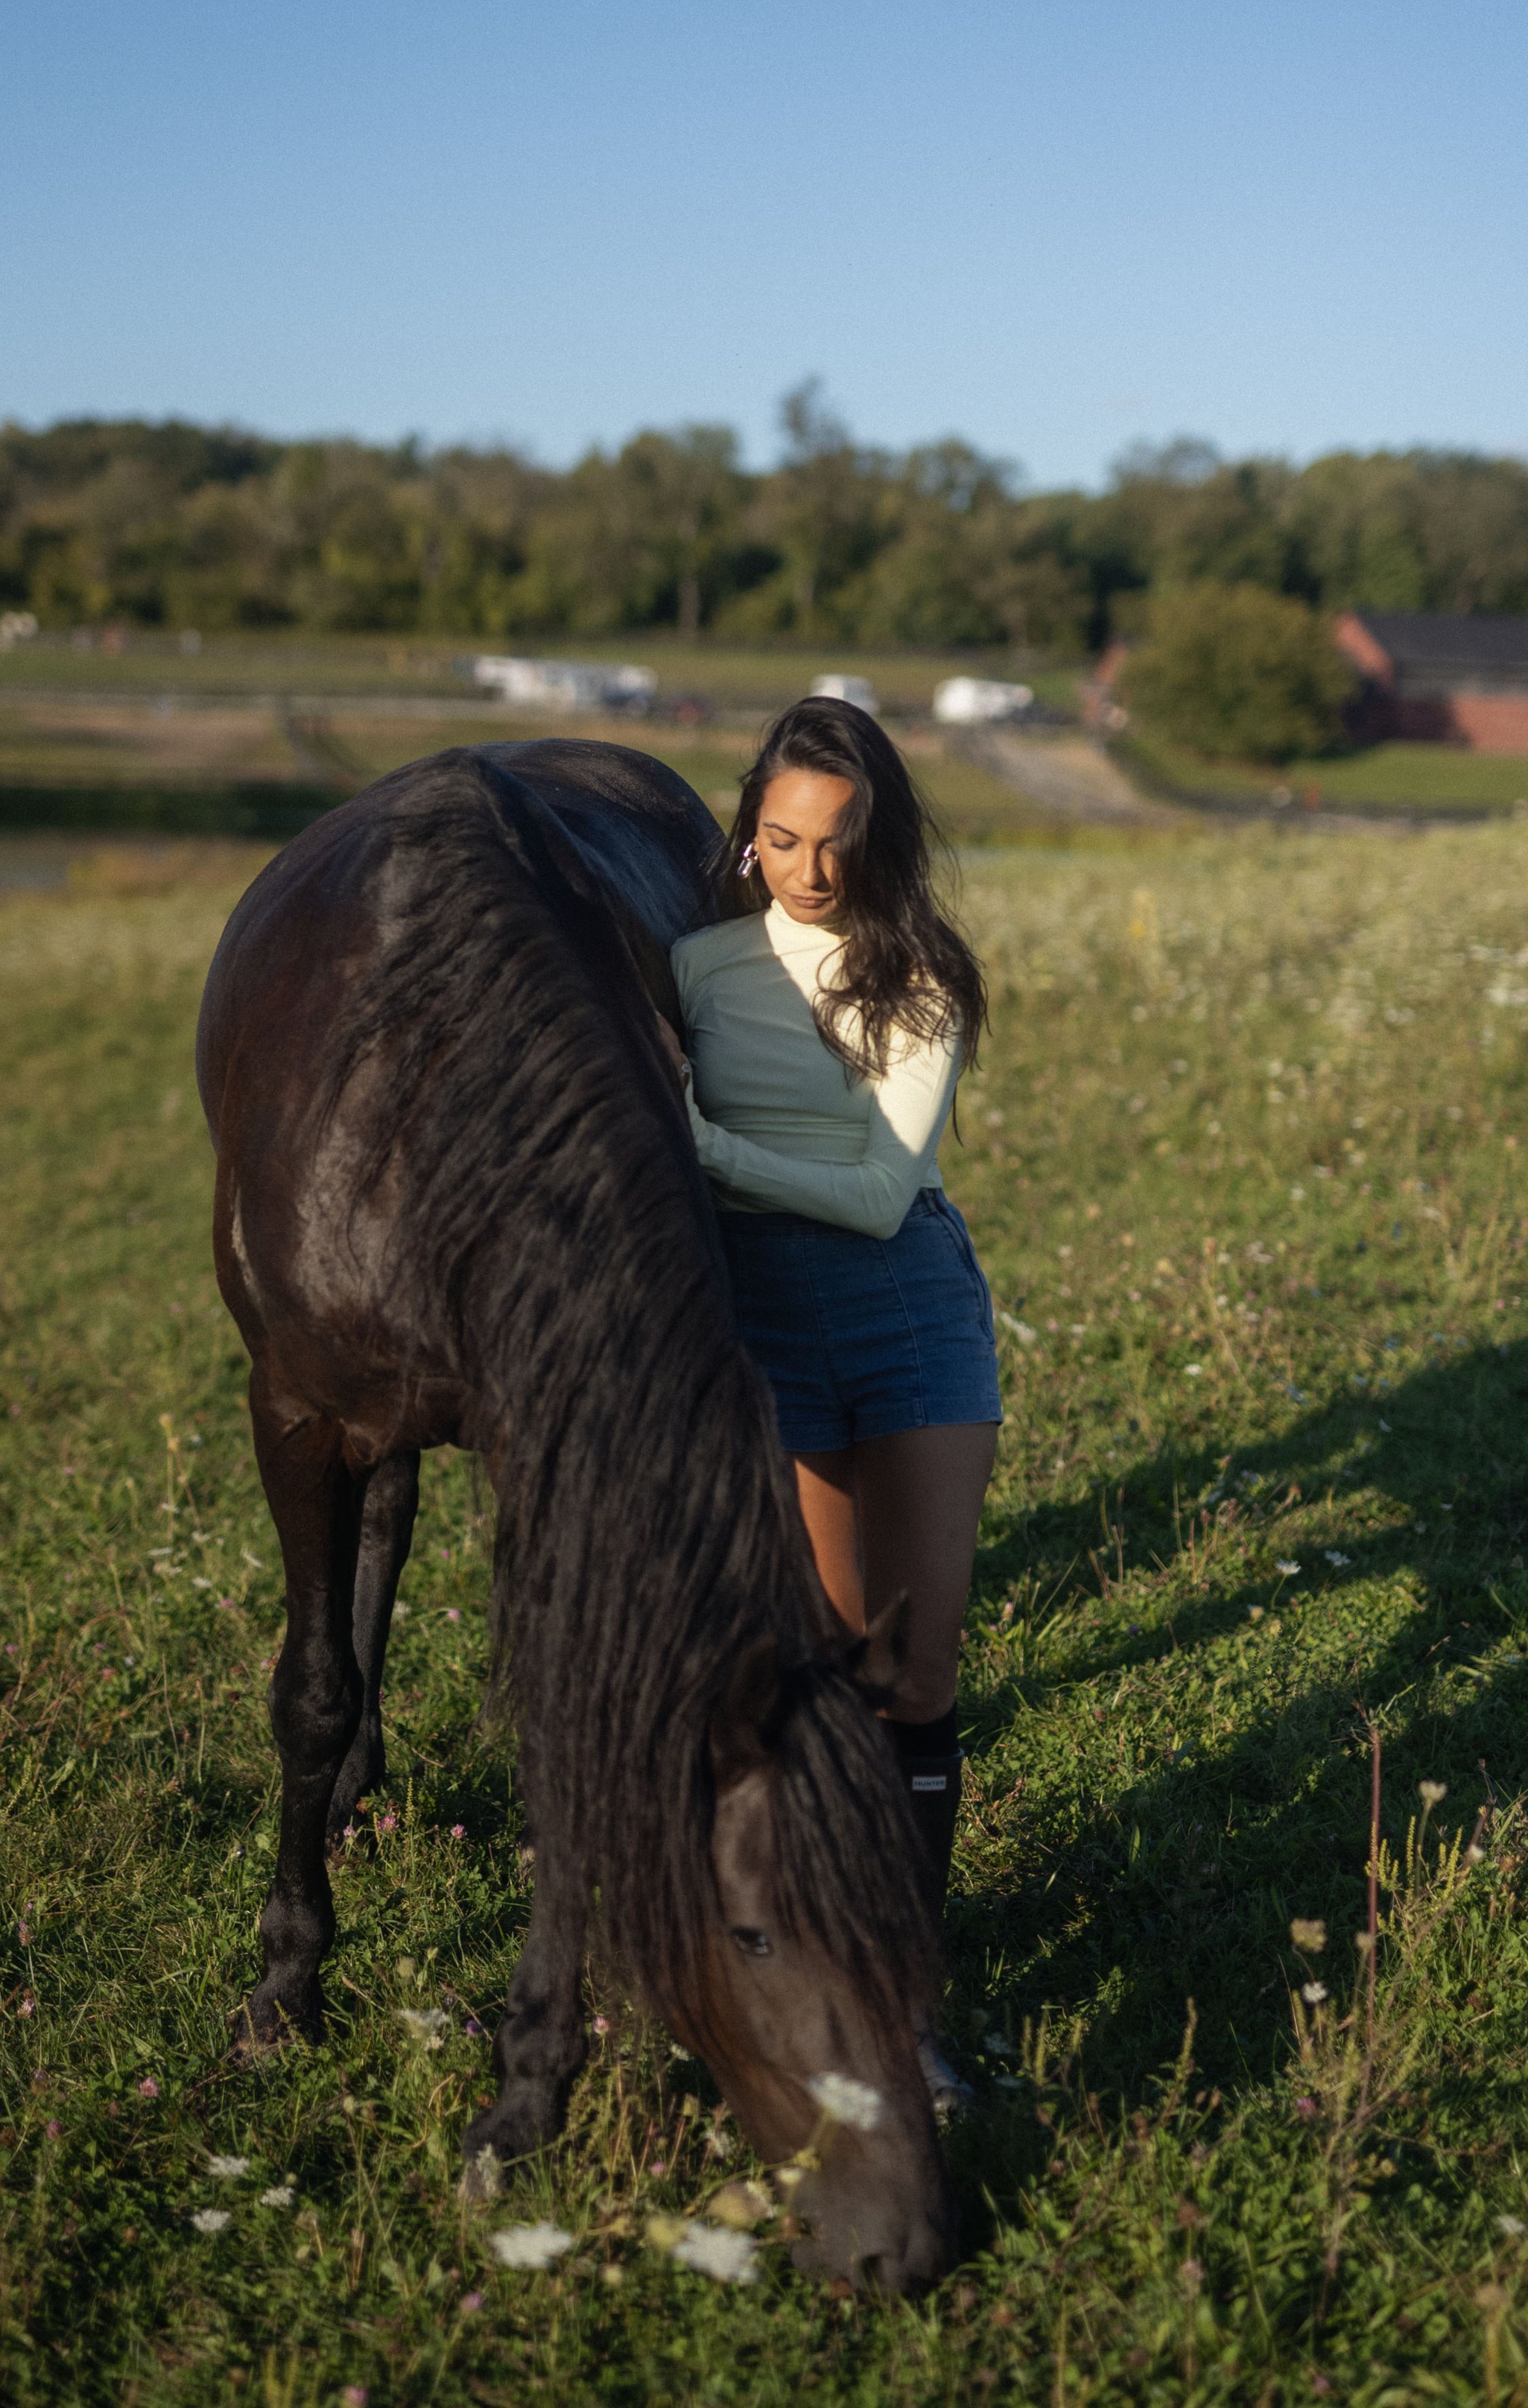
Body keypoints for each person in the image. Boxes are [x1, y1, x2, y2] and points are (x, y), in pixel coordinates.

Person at [662, 696, 998, 2103]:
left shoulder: (921, 977)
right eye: (780, 835)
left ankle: (909, 2000)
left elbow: (875, 1192)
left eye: (835, 842)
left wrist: (697, 1140)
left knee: (916, 1671)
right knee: (826, 1678)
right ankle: (802, 1975)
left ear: (879, 840)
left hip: (905, 1311)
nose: (804, 867)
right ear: (749, 827)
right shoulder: (694, 964)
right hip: (766, 1330)